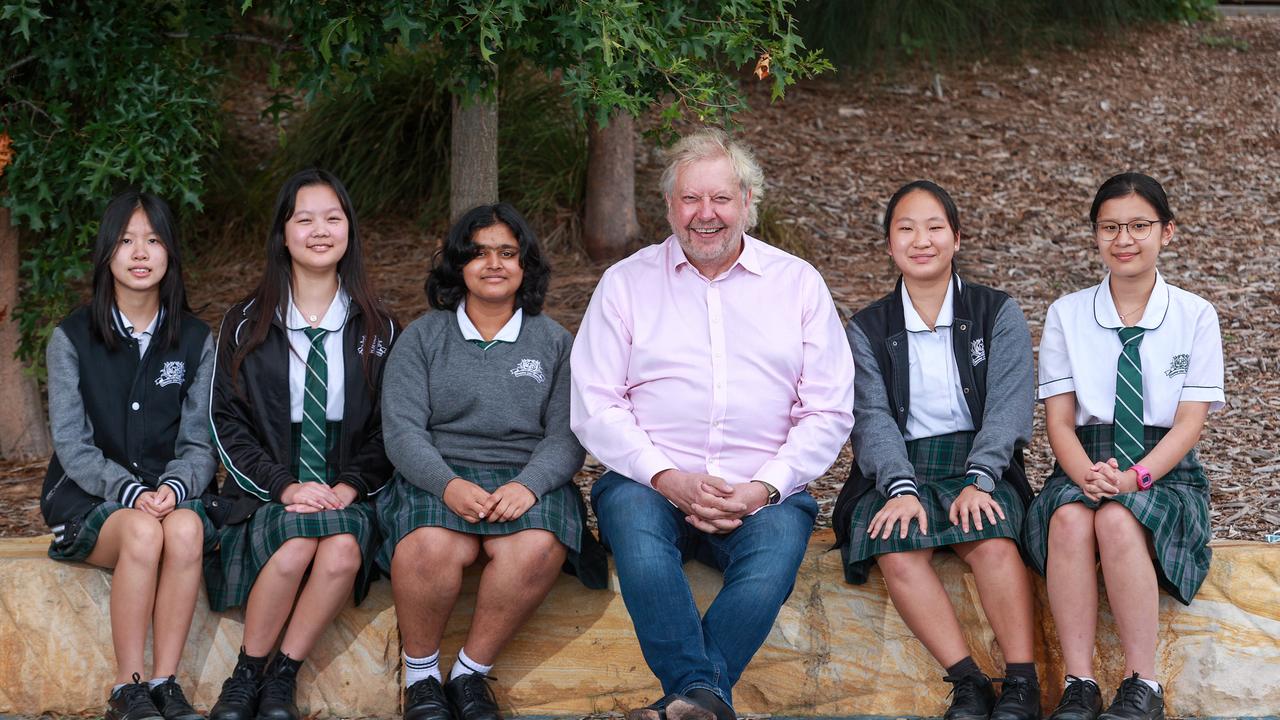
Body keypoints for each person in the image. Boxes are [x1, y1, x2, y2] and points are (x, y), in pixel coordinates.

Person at [571, 128, 854, 720]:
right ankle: (704, 695)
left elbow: (827, 410)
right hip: (649, 484)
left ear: (748, 202)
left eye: (721, 199)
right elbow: (595, 403)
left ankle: (688, 697)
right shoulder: (625, 283)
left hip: (764, 486)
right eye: (690, 200)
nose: (706, 214)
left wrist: (763, 487)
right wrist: (665, 476)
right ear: (670, 206)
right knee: (638, 540)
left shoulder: (798, 283)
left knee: (774, 556)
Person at [377, 203, 607, 720]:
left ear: (526, 265)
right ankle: (421, 680)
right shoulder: (422, 337)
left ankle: (469, 676)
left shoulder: (554, 342)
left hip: (525, 479)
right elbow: (402, 431)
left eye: (508, 252)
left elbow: (567, 436)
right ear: (458, 265)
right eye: (478, 253)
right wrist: (447, 484)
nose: (494, 264)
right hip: (438, 474)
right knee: (430, 547)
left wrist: (529, 486)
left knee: (536, 547)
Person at [831, 181, 1039, 720]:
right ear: (889, 245)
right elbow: (871, 418)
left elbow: (1010, 407)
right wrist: (897, 487)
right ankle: (968, 682)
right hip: (900, 466)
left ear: (957, 238)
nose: (920, 240)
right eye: (905, 229)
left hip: (981, 461)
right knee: (896, 544)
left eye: (934, 227)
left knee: (992, 541)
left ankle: (1021, 682)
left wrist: (982, 478)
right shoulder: (867, 329)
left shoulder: (997, 312)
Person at [1026, 173, 1224, 720]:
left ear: (1167, 233)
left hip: (1166, 472)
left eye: (1139, 226)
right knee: (1068, 520)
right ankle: (1079, 683)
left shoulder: (1194, 315)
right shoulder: (1068, 313)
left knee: (1116, 519)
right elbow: (1060, 422)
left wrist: (1137, 478)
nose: (1124, 239)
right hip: (1085, 460)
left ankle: (1144, 685)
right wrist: (1086, 473)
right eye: (1110, 227)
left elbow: (1188, 426)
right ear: (1095, 234)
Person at [204, 169, 398, 720]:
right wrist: (284, 486)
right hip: (269, 485)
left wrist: (350, 485)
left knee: (339, 549)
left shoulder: (380, 328)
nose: (320, 230)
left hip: (347, 486)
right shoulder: (245, 324)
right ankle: (246, 676)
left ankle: (280, 678)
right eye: (304, 218)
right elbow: (227, 421)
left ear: (349, 232)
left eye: (333, 218)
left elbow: (394, 428)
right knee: (294, 547)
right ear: (282, 233)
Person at [40, 189, 216, 720]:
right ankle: (128, 686)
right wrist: (132, 493)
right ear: (106, 255)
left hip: (170, 499)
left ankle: (165, 681)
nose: (140, 253)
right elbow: (73, 445)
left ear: (170, 254)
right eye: (126, 241)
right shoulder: (71, 338)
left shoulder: (196, 339)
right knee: (142, 530)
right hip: (92, 502)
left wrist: (175, 487)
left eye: (154, 240)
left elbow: (199, 441)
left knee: (185, 529)